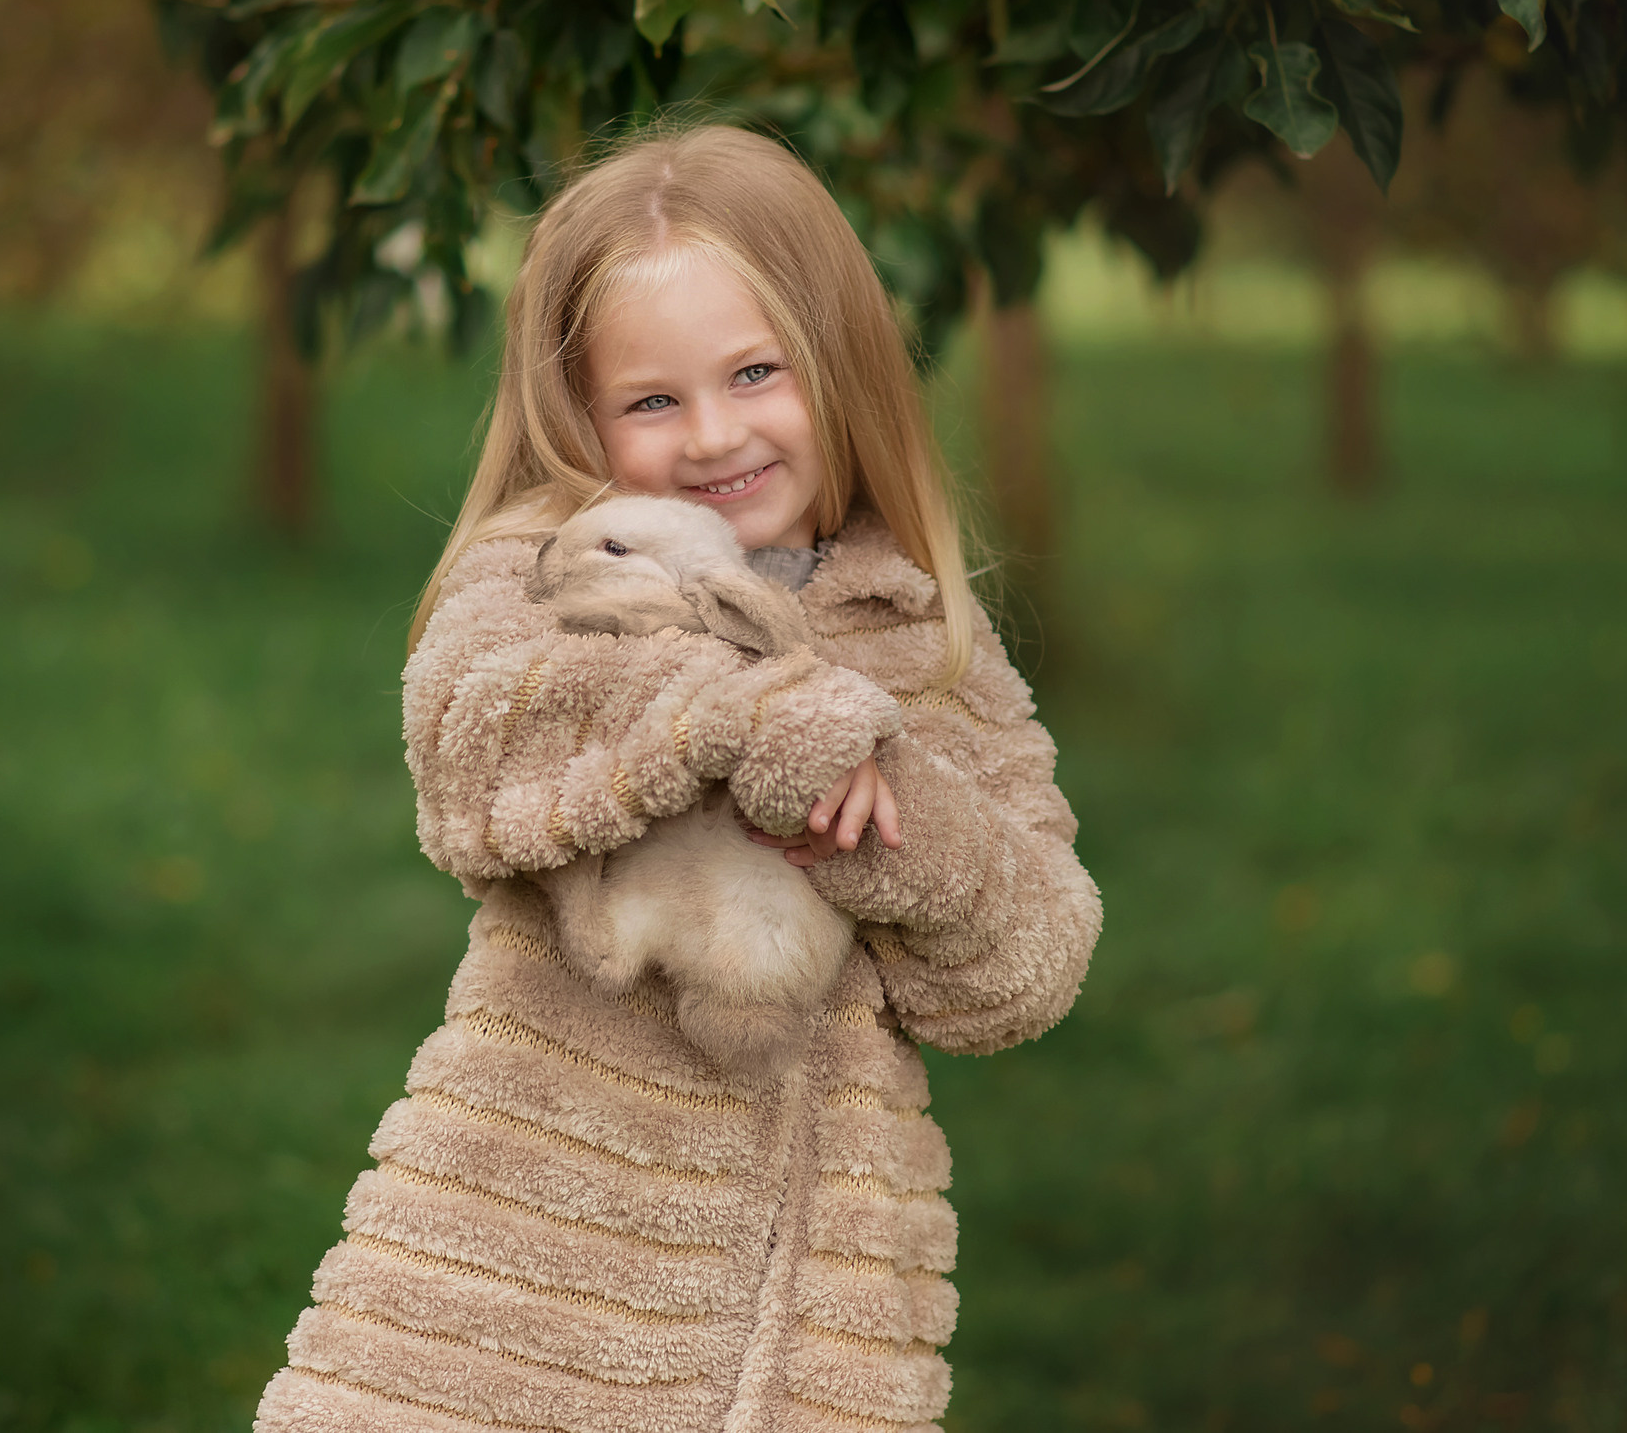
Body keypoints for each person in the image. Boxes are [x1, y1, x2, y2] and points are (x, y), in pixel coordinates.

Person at [254, 121, 1102, 1433]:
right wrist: (740, 721)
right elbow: (478, 749)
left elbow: (1031, 961)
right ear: (579, 419)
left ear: (842, 366)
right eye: (653, 400)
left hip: (808, 1356)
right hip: (503, 1322)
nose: (714, 434)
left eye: (756, 372)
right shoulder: (563, 570)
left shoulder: (923, 634)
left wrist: (883, 818)